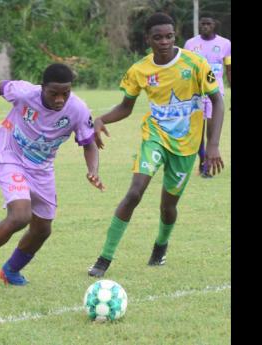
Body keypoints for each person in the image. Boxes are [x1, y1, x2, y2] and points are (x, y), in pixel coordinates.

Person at [87, 12, 224, 277]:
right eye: (158, 37)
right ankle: (104, 258)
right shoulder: (139, 70)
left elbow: (217, 101)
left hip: (187, 146)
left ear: (175, 36)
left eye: (169, 36)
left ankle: (160, 247)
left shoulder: (195, 63)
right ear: (147, 39)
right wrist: (101, 119)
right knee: (135, 192)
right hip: (155, 137)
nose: (164, 41)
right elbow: (126, 108)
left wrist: (213, 145)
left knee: (168, 206)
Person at [0, 63, 104, 290]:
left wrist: (93, 171)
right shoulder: (25, 92)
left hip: (42, 168)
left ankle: (11, 270)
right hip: (10, 156)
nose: (60, 99)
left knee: (42, 229)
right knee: (20, 216)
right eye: (54, 93)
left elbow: (89, 144)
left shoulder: (78, 110)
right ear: (42, 87)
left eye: (66, 93)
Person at [184, 14, 231, 178]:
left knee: (212, 132)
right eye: (202, 24)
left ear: (214, 25)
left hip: (215, 94)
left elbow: (229, 69)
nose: (205, 26)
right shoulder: (190, 44)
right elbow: (185, 69)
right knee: (196, 134)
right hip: (195, 93)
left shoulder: (225, 44)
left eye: (208, 24)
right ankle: (203, 160)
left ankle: (206, 166)